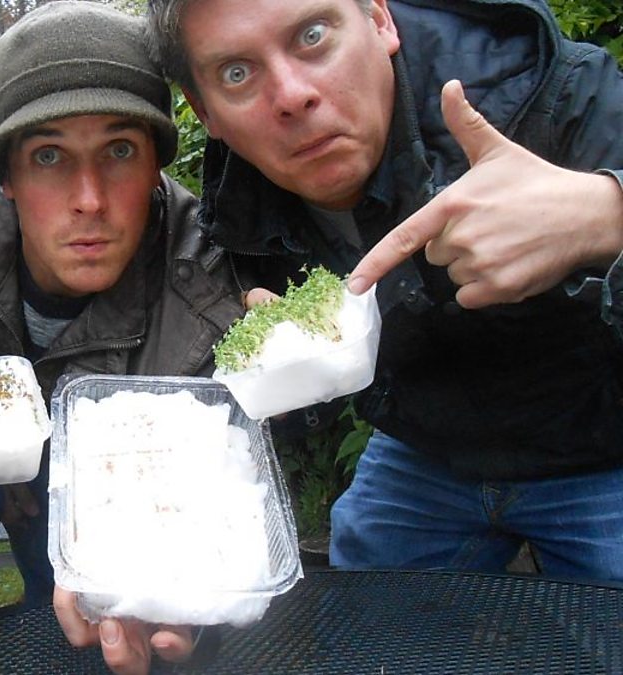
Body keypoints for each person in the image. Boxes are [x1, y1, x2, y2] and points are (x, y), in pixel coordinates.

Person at [146, 0, 623, 581]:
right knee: (362, 615)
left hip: (604, 445)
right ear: (205, 111)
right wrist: (290, 369)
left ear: (379, 21)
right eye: (237, 73)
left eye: (312, 36)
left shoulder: (548, 86)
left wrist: (607, 214)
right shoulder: (237, 207)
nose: (292, 95)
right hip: (427, 448)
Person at [0, 1, 244, 670]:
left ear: (157, 166)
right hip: (22, 503)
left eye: (119, 150)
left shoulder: (210, 295)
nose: (89, 197)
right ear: (5, 177)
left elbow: (214, 509)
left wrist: (187, 590)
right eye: (48, 155)